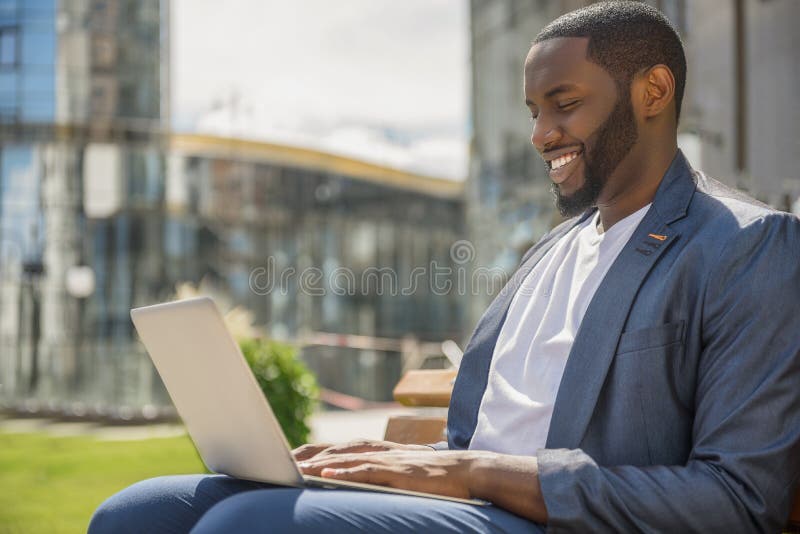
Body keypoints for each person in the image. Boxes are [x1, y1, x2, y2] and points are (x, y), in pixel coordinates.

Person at [89, 2, 800, 532]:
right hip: (468, 498)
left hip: (555, 519)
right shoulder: (553, 249)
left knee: (240, 528)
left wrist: (470, 472)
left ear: (653, 91)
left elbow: (740, 499)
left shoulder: (746, 244)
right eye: (532, 110)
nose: (540, 134)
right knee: (136, 513)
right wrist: (386, 464)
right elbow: (477, 432)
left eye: (566, 104)